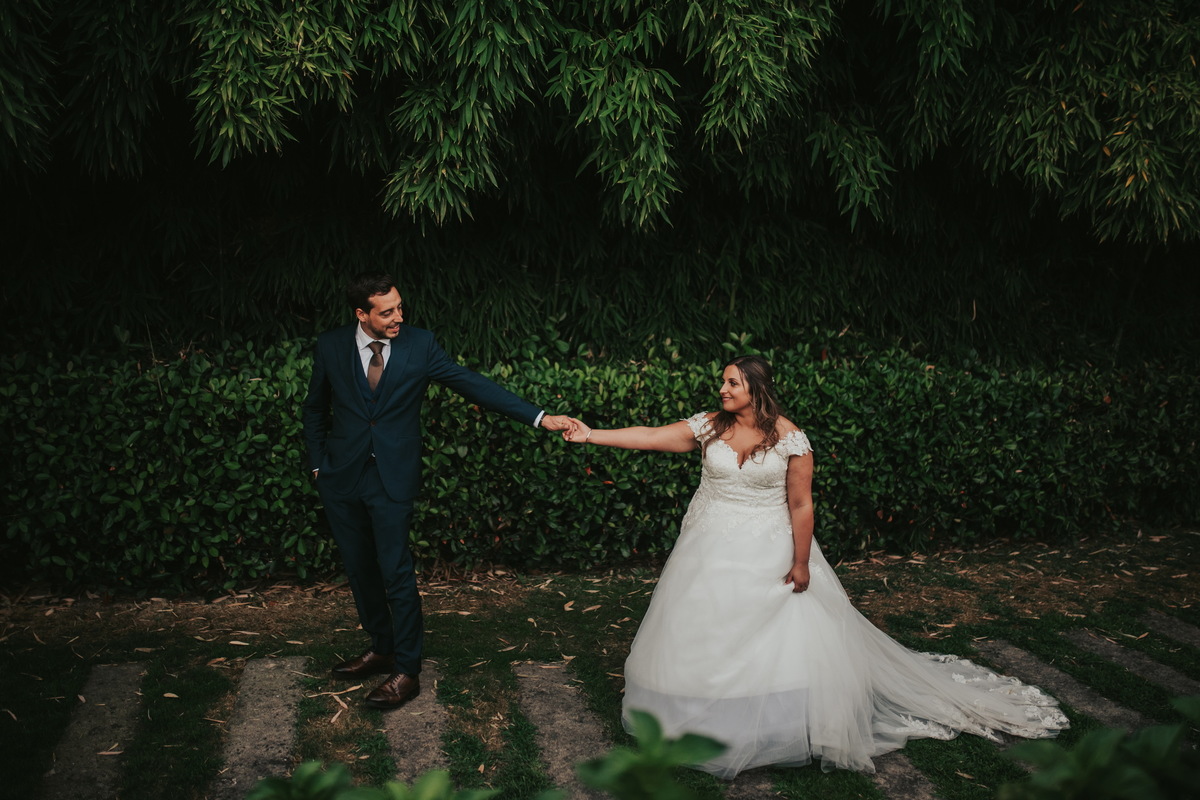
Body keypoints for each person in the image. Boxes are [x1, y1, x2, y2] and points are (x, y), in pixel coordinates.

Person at [562, 355, 1068, 778]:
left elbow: (801, 505)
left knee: (776, 637)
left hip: (767, 548)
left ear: (756, 388)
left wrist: (801, 562)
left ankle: (775, 723)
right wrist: (591, 435)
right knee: (700, 627)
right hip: (707, 546)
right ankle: (693, 715)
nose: (722, 389)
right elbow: (654, 435)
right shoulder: (711, 425)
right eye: (723, 382)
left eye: (732, 383)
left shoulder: (790, 439)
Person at [302, 272, 571, 710]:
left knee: (395, 571)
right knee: (359, 568)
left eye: (399, 307)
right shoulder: (331, 345)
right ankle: (381, 647)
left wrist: (540, 417)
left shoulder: (420, 344)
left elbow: (473, 384)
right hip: (341, 477)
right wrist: (318, 465)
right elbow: (314, 408)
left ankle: (407, 670)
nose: (398, 317)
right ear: (361, 314)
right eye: (387, 312)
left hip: (392, 478)